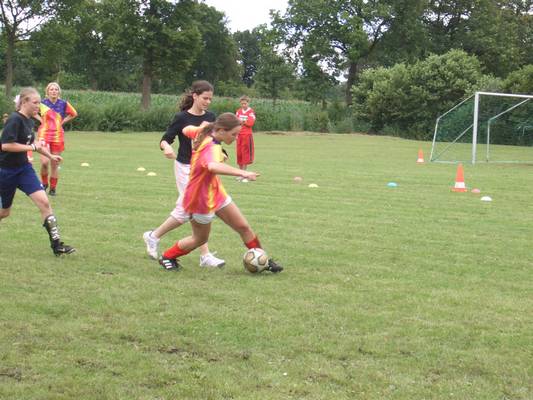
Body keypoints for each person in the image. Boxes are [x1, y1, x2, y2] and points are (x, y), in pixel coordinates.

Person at [158, 112, 283, 273]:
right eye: (234, 134)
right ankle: (168, 256)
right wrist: (242, 173)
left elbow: (185, 130)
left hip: (215, 192)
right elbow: (212, 166)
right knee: (200, 239)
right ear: (222, 130)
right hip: (200, 199)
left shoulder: (205, 131)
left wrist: (198, 128)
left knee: (244, 227)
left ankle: (262, 258)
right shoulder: (212, 146)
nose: (236, 138)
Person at [143, 80, 225, 268]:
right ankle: (203, 255)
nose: (208, 102)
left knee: (194, 210)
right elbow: (165, 139)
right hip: (185, 168)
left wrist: (222, 154)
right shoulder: (181, 118)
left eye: (210, 99)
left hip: (204, 169)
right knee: (194, 210)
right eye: (205, 98)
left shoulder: (211, 117)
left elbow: (214, 142)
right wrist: (166, 148)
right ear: (195, 96)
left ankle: (153, 236)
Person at [0, 87, 75, 256]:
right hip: (6, 171)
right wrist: (31, 147)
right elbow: (6, 145)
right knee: (4, 212)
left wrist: (51, 156)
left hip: (24, 170)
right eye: (35, 103)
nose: (38, 106)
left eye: (39, 103)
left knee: (44, 203)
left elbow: (34, 142)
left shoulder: (30, 120)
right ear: (24, 102)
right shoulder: (14, 119)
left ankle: (57, 246)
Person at [37, 82, 78, 196]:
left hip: (57, 135)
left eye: (56, 89)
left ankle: (53, 189)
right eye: (51, 89)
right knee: (44, 162)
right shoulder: (42, 103)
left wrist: (62, 122)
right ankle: (44, 184)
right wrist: (41, 120)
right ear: (47, 91)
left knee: (54, 163)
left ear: (58, 92)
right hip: (44, 134)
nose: (54, 91)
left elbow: (74, 113)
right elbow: (32, 112)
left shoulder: (64, 104)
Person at [235, 95, 256, 183]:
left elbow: (250, 123)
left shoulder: (251, 112)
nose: (243, 105)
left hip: (247, 135)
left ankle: (245, 175)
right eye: (242, 103)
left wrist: (242, 121)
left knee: (245, 154)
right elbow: (236, 122)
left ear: (248, 103)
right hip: (239, 135)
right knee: (239, 154)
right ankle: (241, 174)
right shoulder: (238, 111)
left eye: (245, 103)